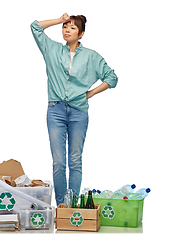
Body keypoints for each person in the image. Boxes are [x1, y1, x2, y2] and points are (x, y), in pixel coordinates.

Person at [30, 13, 118, 206]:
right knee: (59, 162)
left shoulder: (91, 57)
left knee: (75, 161)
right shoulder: (51, 49)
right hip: (55, 111)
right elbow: (35, 27)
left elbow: (112, 78)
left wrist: (91, 93)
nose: (67, 30)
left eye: (72, 27)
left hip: (79, 113)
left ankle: (73, 206)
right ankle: (62, 206)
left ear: (81, 33)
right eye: (65, 27)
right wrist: (58, 20)